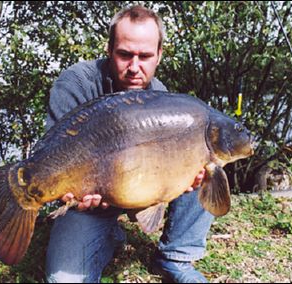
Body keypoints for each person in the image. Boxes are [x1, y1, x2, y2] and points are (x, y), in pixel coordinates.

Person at [45, 5, 214, 283]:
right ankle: (108, 233)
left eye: (145, 56)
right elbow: (54, 158)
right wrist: (71, 194)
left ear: (159, 55)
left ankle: (176, 257)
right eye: (125, 55)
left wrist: (180, 182)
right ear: (110, 49)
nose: (135, 67)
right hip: (85, 201)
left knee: (207, 162)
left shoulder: (161, 99)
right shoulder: (77, 83)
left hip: (138, 189)